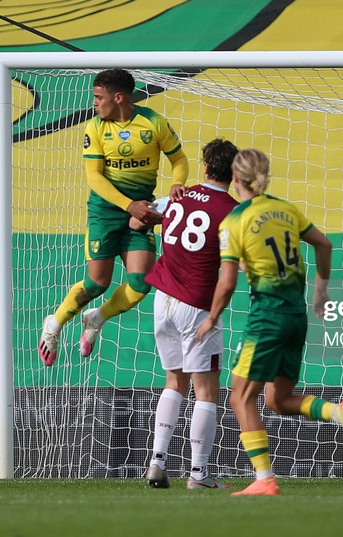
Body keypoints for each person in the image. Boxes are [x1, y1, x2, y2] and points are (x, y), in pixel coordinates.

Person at [195, 148, 343, 496]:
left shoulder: (234, 221)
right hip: (295, 316)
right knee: (277, 399)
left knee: (241, 398)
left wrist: (212, 318)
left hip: (267, 317)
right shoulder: (287, 210)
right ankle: (339, 412)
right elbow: (323, 244)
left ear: (235, 178)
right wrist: (321, 292)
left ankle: (264, 479)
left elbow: (227, 282)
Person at [39, 68, 188, 366]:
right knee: (97, 284)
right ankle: (53, 324)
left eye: (98, 97)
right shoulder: (95, 128)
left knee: (141, 282)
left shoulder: (153, 123)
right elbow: (94, 177)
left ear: (118, 97)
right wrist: (128, 204)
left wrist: (175, 184)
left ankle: (97, 318)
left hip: (141, 211)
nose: (94, 103)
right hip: (106, 212)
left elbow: (179, 160)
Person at [133, 138, 240, 490]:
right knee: (206, 391)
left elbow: (136, 223)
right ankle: (198, 474)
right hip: (196, 305)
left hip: (162, 299)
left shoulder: (178, 197)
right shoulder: (232, 212)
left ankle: (156, 463)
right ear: (235, 173)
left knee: (173, 381)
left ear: (205, 168)